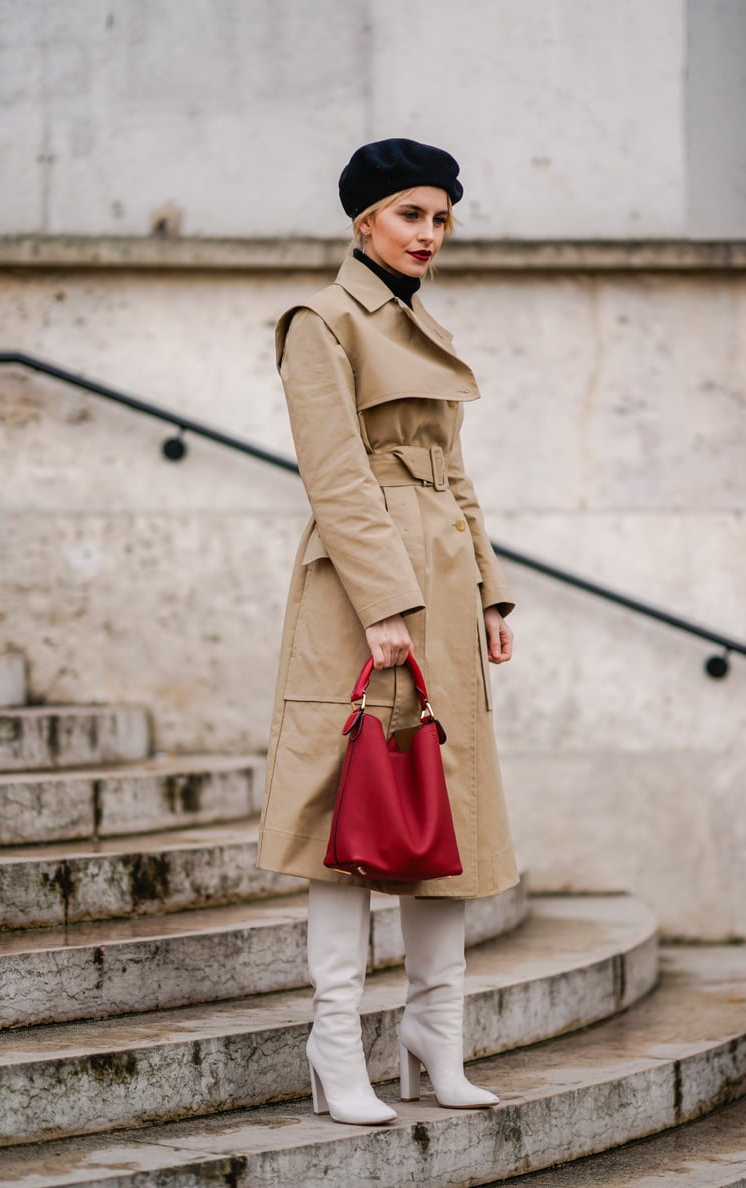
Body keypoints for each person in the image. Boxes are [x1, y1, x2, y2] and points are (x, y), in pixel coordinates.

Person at [256, 138, 518, 1125]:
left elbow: (452, 476)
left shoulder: (422, 325)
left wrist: (491, 592)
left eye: (442, 217)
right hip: (364, 603)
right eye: (412, 214)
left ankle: (433, 1038)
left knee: (442, 811)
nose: (430, 233)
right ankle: (335, 1047)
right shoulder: (319, 323)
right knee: (345, 822)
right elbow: (336, 476)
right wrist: (387, 609)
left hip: (446, 597)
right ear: (363, 218)